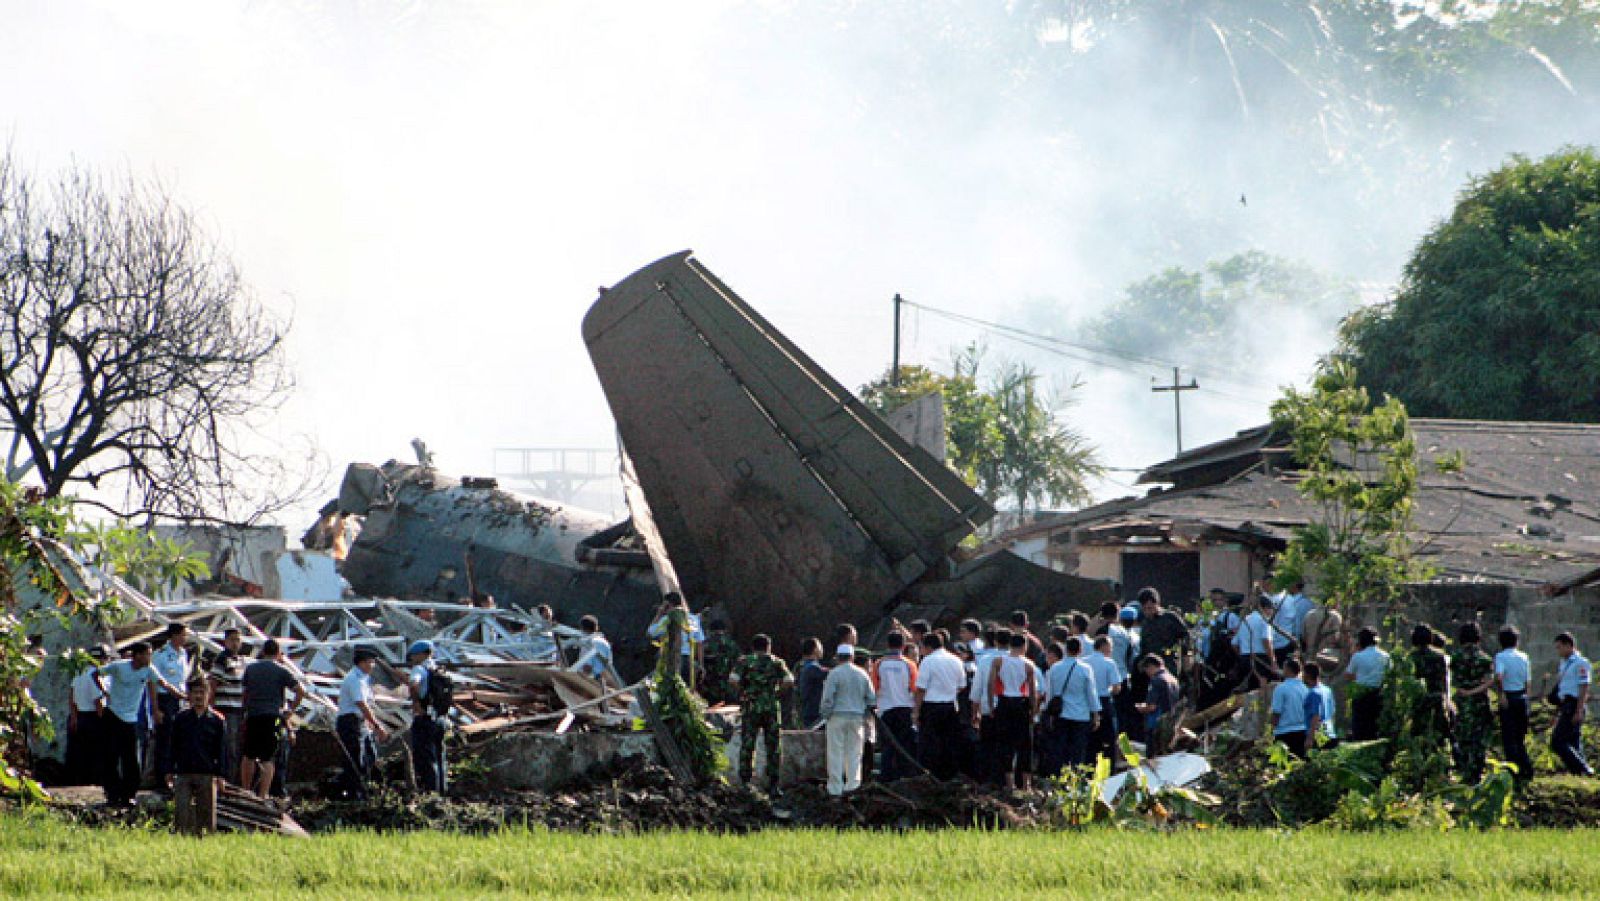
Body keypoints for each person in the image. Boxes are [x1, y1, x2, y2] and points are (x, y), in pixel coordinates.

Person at [99, 642, 184, 807]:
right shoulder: (118, 666)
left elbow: (163, 684)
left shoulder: (148, 669)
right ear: (137, 655)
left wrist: (182, 696)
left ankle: (128, 794)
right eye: (147, 654)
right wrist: (103, 691)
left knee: (131, 759)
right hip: (113, 715)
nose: (149, 658)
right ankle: (112, 793)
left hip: (130, 719)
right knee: (110, 758)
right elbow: (96, 673)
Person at [240, 639, 306, 798]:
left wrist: (245, 710)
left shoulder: (251, 669)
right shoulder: (281, 670)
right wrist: (290, 710)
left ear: (263, 652)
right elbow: (300, 690)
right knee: (267, 758)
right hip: (272, 717)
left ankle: (246, 790)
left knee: (248, 755)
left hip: (253, 715)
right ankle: (263, 794)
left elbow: (244, 693)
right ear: (278, 653)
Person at [728, 634, 793, 792]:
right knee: (773, 745)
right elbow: (789, 680)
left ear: (753, 647)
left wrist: (744, 692)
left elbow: (733, 680)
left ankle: (745, 782)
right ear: (768, 646)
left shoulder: (744, 661)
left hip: (751, 707)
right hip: (771, 707)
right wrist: (776, 693)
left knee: (748, 744)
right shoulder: (777, 662)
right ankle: (773, 783)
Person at [818, 643, 876, 796]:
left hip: (837, 716)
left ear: (838, 657)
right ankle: (853, 787)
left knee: (835, 753)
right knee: (855, 753)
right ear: (852, 657)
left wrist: (826, 714)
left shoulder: (834, 674)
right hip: (857, 718)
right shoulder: (862, 674)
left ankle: (835, 789)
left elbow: (827, 699)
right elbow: (871, 699)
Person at [986, 633, 1041, 790]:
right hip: (1021, 704)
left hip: (1004, 703)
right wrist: (1033, 710)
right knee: (1025, 745)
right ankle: (1026, 783)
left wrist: (991, 705)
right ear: (1025, 646)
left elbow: (990, 685)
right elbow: (1033, 692)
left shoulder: (998, 661)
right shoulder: (1028, 665)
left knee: (1005, 743)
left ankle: (1009, 783)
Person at [336, 648, 388, 800]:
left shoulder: (364, 679)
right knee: (355, 759)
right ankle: (354, 795)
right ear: (362, 663)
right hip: (350, 722)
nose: (373, 666)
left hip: (360, 722)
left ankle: (367, 790)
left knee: (369, 755)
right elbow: (361, 704)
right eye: (370, 662)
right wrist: (378, 726)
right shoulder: (354, 679)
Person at [914, 631, 966, 780]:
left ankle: (929, 776)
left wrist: (916, 711)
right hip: (950, 706)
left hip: (931, 706)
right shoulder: (956, 660)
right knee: (948, 743)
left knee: (930, 744)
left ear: (928, 646)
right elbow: (962, 685)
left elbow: (921, 688)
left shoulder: (928, 661)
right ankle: (948, 776)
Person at [1046, 637, 1100, 775]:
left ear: (1065, 649)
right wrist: (1095, 714)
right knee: (1078, 751)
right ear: (1080, 650)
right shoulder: (1085, 669)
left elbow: (1050, 693)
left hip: (1060, 714)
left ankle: (1059, 778)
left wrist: (1049, 714)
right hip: (1080, 715)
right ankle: (1075, 778)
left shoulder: (1055, 668)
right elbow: (1091, 693)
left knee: (1060, 749)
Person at [1449, 622, 1495, 782]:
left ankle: (1463, 773)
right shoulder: (1484, 658)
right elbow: (1490, 681)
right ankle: (1476, 775)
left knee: (1462, 738)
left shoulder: (1455, 658)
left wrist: (1465, 691)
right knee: (1479, 740)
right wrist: (1474, 691)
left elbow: (1453, 681)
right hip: (1479, 703)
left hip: (1461, 702)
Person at [871, 631, 918, 781]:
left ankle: (887, 776)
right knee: (904, 744)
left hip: (885, 709)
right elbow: (915, 688)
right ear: (903, 646)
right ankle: (905, 776)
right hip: (905, 708)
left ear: (887, 644)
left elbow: (874, 687)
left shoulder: (878, 664)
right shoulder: (910, 664)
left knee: (887, 745)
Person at [405, 640, 449, 794]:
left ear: (421, 654)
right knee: (439, 755)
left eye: (413, 656)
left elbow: (413, 684)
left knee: (426, 758)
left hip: (424, 719)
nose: (412, 659)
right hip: (440, 719)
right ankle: (442, 790)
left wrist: (416, 702)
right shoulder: (438, 669)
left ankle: (431, 792)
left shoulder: (419, 669)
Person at [150, 623, 191, 787]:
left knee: (178, 739)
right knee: (165, 739)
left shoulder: (183, 654)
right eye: (183, 635)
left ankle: (173, 775)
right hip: (164, 699)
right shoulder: (160, 655)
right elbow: (152, 682)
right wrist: (155, 709)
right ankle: (161, 778)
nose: (185, 638)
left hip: (180, 700)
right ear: (173, 636)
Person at [1492, 626, 1534, 782]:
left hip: (1508, 697)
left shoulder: (1500, 657)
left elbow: (1499, 676)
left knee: (1509, 737)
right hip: (1522, 697)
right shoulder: (1524, 657)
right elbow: (1528, 681)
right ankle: (1526, 769)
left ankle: (1513, 771)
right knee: (1520, 737)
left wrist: (1501, 695)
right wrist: (1527, 699)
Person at [1550, 632, 1593, 776]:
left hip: (1574, 704)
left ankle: (1584, 768)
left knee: (1557, 741)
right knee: (1573, 742)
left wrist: (1579, 709)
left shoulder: (1580, 662)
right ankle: (1579, 774)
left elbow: (1584, 686)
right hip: (1565, 704)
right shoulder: (1564, 663)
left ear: (1569, 645)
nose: (1558, 651)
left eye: (1560, 647)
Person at [208, 629, 247, 784]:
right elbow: (213, 684)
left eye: (238, 640)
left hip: (238, 709)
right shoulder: (221, 659)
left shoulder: (240, 660)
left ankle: (232, 779)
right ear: (225, 642)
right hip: (225, 709)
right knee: (228, 747)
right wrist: (210, 708)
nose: (235, 643)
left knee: (235, 747)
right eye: (232, 640)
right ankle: (227, 780)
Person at [67, 646, 109, 785]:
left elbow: (71, 696)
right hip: (93, 717)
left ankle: (79, 780)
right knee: (97, 752)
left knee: (79, 753)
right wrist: (104, 721)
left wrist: (73, 717)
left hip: (78, 716)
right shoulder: (96, 675)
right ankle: (95, 781)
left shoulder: (79, 673)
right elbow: (98, 701)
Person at [171, 679, 227, 782]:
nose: (198, 696)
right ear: (190, 694)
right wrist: (169, 770)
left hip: (207, 773)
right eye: (195, 692)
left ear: (208, 694)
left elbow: (221, 750)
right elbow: (173, 746)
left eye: (202, 692)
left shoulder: (217, 720)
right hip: (184, 772)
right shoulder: (181, 718)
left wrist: (221, 775)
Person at [1409, 624, 1453, 750]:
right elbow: (1444, 682)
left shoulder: (1411, 657)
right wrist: (1448, 701)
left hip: (1418, 701)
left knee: (1418, 735)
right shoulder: (1439, 656)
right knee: (1439, 736)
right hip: (1437, 700)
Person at [1342, 627, 1389, 741]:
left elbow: (1347, 675)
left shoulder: (1358, 656)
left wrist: (1360, 677)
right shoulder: (1385, 656)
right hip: (1378, 695)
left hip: (1361, 695)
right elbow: (1389, 675)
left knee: (1360, 728)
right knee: (1375, 727)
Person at [646, 593, 704, 680]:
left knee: (653, 682)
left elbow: (650, 633)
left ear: (668, 605)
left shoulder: (668, 619)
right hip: (688, 662)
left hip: (672, 659)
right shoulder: (693, 619)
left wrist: (658, 614)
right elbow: (700, 643)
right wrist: (700, 665)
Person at [1134, 654, 1180, 755]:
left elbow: (1152, 706)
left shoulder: (1156, 680)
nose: (1146, 673)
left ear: (1151, 666)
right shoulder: (1173, 679)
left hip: (1157, 726)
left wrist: (1141, 707)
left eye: (1146, 669)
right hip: (1172, 723)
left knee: (1155, 758)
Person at [1136, 588, 1189, 675]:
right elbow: (1144, 645)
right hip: (1151, 667)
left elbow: (1186, 636)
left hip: (1169, 662)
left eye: (1150, 608)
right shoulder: (1145, 623)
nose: (1147, 611)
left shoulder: (1170, 617)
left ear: (1157, 604)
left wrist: (1186, 656)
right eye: (1144, 609)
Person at [1086, 635, 1122, 762]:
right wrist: (1108, 691)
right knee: (1109, 739)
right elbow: (1117, 687)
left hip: (1086, 704)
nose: (1111, 650)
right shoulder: (1109, 663)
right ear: (1104, 646)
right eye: (1110, 647)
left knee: (1090, 740)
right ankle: (1109, 768)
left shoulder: (1084, 661)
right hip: (1104, 701)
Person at [1235, 595, 1281, 689]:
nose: (1272, 612)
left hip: (1245, 659)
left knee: (1248, 690)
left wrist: (1243, 654)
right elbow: (1266, 641)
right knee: (1262, 689)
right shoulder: (1264, 621)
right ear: (1264, 608)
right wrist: (1273, 661)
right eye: (1271, 609)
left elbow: (1234, 643)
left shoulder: (1244, 620)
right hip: (1260, 660)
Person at [1270, 658, 1312, 758]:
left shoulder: (1281, 688)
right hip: (1302, 731)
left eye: (1284, 668)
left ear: (1288, 670)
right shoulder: (1305, 688)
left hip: (1284, 733)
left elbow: (1276, 712)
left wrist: (1271, 729)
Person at [700, 620, 740, 704]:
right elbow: (739, 661)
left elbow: (700, 660)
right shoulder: (732, 644)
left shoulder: (706, 644)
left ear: (710, 630)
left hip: (710, 684)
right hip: (728, 683)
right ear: (724, 630)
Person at [793, 638, 828, 728]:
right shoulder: (812, 668)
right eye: (820, 646)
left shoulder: (800, 665)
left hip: (803, 710)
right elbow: (830, 673)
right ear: (815, 649)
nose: (822, 649)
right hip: (814, 713)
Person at [1273, 581, 1314, 657]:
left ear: (1294, 585)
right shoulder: (1309, 603)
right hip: (1305, 641)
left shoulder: (1291, 602)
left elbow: (1297, 626)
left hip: (1291, 642)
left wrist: (1296, 645)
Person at [1302, 662, 1336, 747]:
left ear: (1307, 675)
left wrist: (1310, 738)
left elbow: (1316, 716)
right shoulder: (1327, 690)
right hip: (1330, 733)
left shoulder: (1314, 693)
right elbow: (1332, 712)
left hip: (1318, 737)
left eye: (1303, 674)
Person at [573, 615, 613, 682]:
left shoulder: (588, 642)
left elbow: (587, 667)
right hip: (603, 681)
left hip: (591, 682)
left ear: (582, 628)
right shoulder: (604, 642)